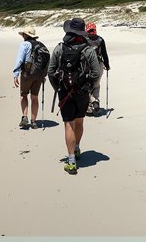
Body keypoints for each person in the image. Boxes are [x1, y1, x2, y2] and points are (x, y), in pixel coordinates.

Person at [48, 18, 100, 175]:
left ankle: (71, 161)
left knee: (68, 124)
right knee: (79, 121)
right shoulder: (88, 49)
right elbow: (96, 72)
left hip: (64, 92)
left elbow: (51, 71)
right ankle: (77, 148)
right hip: (82, 92)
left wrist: (58, 88)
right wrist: (88, 87)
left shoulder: (60, 48)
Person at [12, 26, 46, 129]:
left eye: (23, 34)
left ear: (26, 35)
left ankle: (25, 117)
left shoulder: (25, 44)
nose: (23, 36)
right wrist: (43, 75)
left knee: (24, 95)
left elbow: (20, 60)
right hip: (39, 75)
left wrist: (16, 74)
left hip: (27, 74)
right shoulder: (41, 45)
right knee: (35, 97)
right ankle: (34, 121)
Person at [85, 22, 110, 115]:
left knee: (86, 83)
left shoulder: (84, 39)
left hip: (86, 65)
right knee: (96, 84)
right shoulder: (100, 39)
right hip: (98, 64)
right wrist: (107, 65)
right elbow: (104, 54)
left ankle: (88, 106)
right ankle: (95, 102)